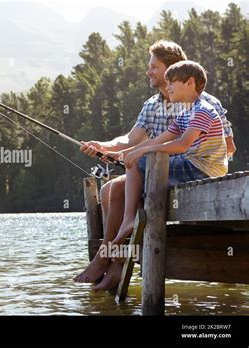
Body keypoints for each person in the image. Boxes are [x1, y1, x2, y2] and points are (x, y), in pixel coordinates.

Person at [74, 40, 236, 290]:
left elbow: (228, 148)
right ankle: (114, 264)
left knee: (115, 190)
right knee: (108, 190)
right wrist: (103, 147)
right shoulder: (152, 105)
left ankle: (105, 258)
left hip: (190, 174)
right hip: (155, 172)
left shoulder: (204, 104)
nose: (148, 72)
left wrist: (154, 154)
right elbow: (130, 140)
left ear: (173, 69)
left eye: (153, 66)